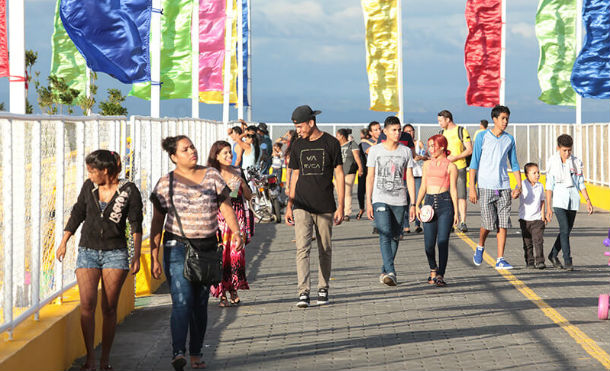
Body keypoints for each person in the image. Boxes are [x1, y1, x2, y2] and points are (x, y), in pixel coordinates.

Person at [149, 135, 243, 370]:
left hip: (207, 248)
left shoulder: (212, 176)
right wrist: (153, 255)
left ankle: (196, 353)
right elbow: (157, 221)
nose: (192, 151)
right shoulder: (165, 183)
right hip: (176, 246)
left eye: (192, 146)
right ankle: (178, 352)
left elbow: (226, 206)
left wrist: (237, 232)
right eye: (185, 149)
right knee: (182, 300)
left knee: (200, 303)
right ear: (173, 157)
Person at [56, 150, 143, 371]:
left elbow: (135, 223)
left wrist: (135, 255)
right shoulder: (89, 187)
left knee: (109, 308)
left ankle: (105, 360)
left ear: (106, 170)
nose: (90, 175)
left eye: (93, 171)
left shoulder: (129, 190)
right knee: (87, 305)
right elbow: (78, 213)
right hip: (88, 250)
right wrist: (64, 240)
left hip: (115, 252)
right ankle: (90, 359)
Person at [285, 105, 344, 308]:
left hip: (325, 205)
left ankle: (323, 287)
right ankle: (303, 291)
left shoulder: (331, 143)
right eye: (296, 127)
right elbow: (294, 175)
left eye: (300, 126)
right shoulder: (297, 146)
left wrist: (342, 206)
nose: (298, 130)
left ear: (311, 123)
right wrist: (289, 205)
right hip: (301, 204)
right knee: (302, 248)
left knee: (325, 249)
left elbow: (339, 174)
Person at [469, 105, 522, 270]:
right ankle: (480, 245)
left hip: (504, 186)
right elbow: (474, 162)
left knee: (503, 223)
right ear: (494, 119)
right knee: (488, 223)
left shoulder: (509, 139)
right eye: (503, 118)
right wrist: (472, 187)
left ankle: (500, 258)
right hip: (485, 186)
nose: (505, 122)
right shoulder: (482, 137)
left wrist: (518, 185)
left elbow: (514, 164)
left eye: (507, 118)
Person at [366, 116, 416, 286]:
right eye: (393, 130)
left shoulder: (405, 151)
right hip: (380, 198)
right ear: (385, 131)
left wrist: (413, 203)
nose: (397, 133)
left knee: (396, 236)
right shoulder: (375, 151)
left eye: (399, 129)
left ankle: (385, 270)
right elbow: (370, 177)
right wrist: (368, 202)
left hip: (400, 200)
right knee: (385, 233)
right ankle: (391, 271)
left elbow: (409, 177)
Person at [207, 141, 253, 306]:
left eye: (230, 153)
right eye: (225, 153)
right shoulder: (212, 174)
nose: (229, 156)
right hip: (219, 220)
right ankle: (221, 293)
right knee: (221, 256)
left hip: (237, 218)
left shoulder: (238, 171)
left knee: (236, 256)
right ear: (216, 156)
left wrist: (241, 183)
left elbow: (249, 196)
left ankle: (233, 288)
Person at [545, 134, 593, 271]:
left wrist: (588, 201)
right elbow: (549, 187)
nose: (567, 153)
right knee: (564, 229)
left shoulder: (576, 162)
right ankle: (568, 260)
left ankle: (553, 254)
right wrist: (548, 207)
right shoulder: (552, 162)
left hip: (573, 199)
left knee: (566, 231)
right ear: (558, 148)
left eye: (569, 150)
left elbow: (580, 183)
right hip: (559, 200)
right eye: (564, 150)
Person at [415, 135, 458, 287]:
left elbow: (453, 189)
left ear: (442, 147)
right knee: (428, 244)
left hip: (445, 203)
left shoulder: (451, 166)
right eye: (429, 146)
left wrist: (456, 212)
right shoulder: (426, 164)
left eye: (433, 146)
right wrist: (416, 204)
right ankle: (433, 268)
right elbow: (423, 186)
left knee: (443, 242)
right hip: (428, 204)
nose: (430, 149)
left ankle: (440, 274)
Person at [438, 110, 472, 233]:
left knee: (461, 195)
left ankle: (463, 222)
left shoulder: (461, 131)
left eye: (441, 120)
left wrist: (456, 157)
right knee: (448, 196)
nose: (439, 123)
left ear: (448, 119)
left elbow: (469, 150)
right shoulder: (441, 133)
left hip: (459, 167)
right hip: (446, 169)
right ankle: (451, 221)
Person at [519, 162, 547, 269]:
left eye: (538, 172)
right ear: (527, 174)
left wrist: (543, 216)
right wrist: (515, 192)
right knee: (527, 243)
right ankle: (529, 261)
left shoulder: (540, 186)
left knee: (538, 241)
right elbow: (515, 194)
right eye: (534, 173)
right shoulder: (522, 184)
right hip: (524, 219)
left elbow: (542, 201)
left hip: (537, 219)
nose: (537, 175)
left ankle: (540, 261)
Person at [403, 124, 427, 234]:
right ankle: (406, 225)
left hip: (418, 174)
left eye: (411, 131)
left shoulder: (418, 143)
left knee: (418, 200)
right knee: (405, 201)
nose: (409, 133)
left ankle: (418, 223)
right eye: (407, 131)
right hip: (406, 175)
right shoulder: (402, 145)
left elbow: (426, 155)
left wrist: (421, 157)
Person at [336, 128, 363, 221]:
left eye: (337, 135)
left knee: (347, 192)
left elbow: (356, 157)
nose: (336, 137)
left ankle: (347, 213)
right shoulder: (336, 146)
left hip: (349, 171)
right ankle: (340, 211)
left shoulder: (352, 144)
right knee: (339, 193)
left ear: (342, 136)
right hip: (338, 173)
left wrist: (360, 167)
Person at [357, 122, 381, 220]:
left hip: (383, 173)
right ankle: (375, 222)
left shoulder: (385, 141)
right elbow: (370, 151)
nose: (379, 131)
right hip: (371, 173)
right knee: (371, 197)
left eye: (380, 128)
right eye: (375, 130)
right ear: (370, 132)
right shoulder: (365, 143)